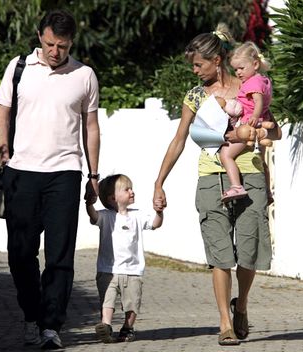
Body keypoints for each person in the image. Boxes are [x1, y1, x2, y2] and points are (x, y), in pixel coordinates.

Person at [153, 24, 281, 346]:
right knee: (220, 254)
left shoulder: (248, 85)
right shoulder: (195, 96)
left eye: (199, 65)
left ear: (216, 60)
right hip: (211, 179)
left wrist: (261, 132)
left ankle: (242, 305)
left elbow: (275, 129)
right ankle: (225, 321)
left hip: (250, 175)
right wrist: (159, 182)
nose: (195, 71)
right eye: (193, 66)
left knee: (249, 252)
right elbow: (179, 140)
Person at [0, 9, 100, 350]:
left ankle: (51, 326)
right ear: (40, 35)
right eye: (51, 44)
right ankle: (31, 313)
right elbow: (2, 111)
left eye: (63, 46)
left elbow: (92, 127)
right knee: (20, 252)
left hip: (65, 174)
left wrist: (94, 174)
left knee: (60, 255)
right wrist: (3, 151)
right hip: (21, 172)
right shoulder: (18, 67)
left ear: (72, 43)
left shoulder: (84, 75)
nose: (56, 52)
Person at [85, 174, 163, 344]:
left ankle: (127, 327)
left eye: (131, 188)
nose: (132, 191)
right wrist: (89, 203)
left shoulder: (138, 215)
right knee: (107, 299)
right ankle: (105, 326)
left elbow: (155, 224)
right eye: (127, 189)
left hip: (133, 270)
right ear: (113, 198)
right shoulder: (105, 216)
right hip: (108, 270)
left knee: (132, 302)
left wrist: (159, 212)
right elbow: (93, 216)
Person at [219, 41, 273, 202]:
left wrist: (254, 116)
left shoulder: (253, 82)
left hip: (249, 125)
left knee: (226, 154)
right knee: (262, 162)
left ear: (255, 64)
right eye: (235, 69)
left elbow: (258, 102)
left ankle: (236, 186)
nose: (238, 72)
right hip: (261, 123)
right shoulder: (264, 80)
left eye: (241, 68)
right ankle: (268, 191)